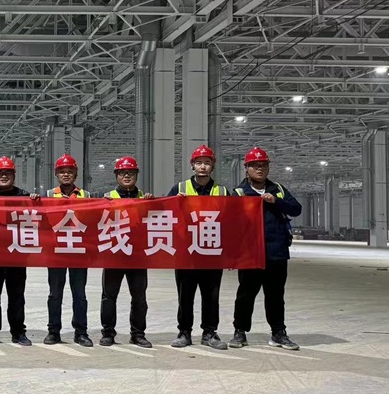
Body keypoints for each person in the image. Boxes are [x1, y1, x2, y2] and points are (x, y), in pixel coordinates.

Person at [229, 147, 303, 350]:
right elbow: (230, 221)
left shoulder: (278, 189)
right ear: (247, 168)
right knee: (245, 295)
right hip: (250, 254)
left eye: (263, 165)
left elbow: (296, 209)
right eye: (255, 165)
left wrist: (276, 201)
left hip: (276, 252)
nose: (260, 169)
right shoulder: (239, 193)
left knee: (275, 296)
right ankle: (240, 331)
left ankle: (278, 333)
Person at [166, 144, 229, 350]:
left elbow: (232, 220)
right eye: (199, 163)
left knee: (211, 295)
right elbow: (165, 214)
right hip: (187, 253)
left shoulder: (222, 191)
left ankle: (209, 332)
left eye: (207, 163)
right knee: (185, 295)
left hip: (212, 251)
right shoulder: (179, 189)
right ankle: (184, 332)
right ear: (192, 165)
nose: (203, 167)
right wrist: (176, 203)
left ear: (213, 166)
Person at [0, 156, 40, 345]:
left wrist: (36, 202)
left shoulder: (24, 196)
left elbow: (40, 219)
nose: (4, 176)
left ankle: (18, 332)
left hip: (16, 254)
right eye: (0, 173)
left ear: (14, 175)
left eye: (7, 173)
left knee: (17, 296)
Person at [99, 156, 152, 348]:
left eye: (130, 172)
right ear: (116, 176)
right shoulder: (107, 198)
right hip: (114, 254)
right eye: (122, 173)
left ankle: (138, 334)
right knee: (109, 296)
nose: (127, 176)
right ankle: (108, 333)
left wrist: (152, 205)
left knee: (139, 298)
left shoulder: (146, 199)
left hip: (137, 256)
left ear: (136, 175)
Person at [44, 154, 93, 347]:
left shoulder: (86, 196)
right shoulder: (48, 195)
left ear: (76, 174)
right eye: (62, 171)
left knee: (79, 294)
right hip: (56, 252)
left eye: (69, 171)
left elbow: (94, 220)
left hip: (79, 252)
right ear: (56, 174)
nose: (66, 174)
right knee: (55, 294)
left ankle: (81, 332)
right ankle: (53, 331)